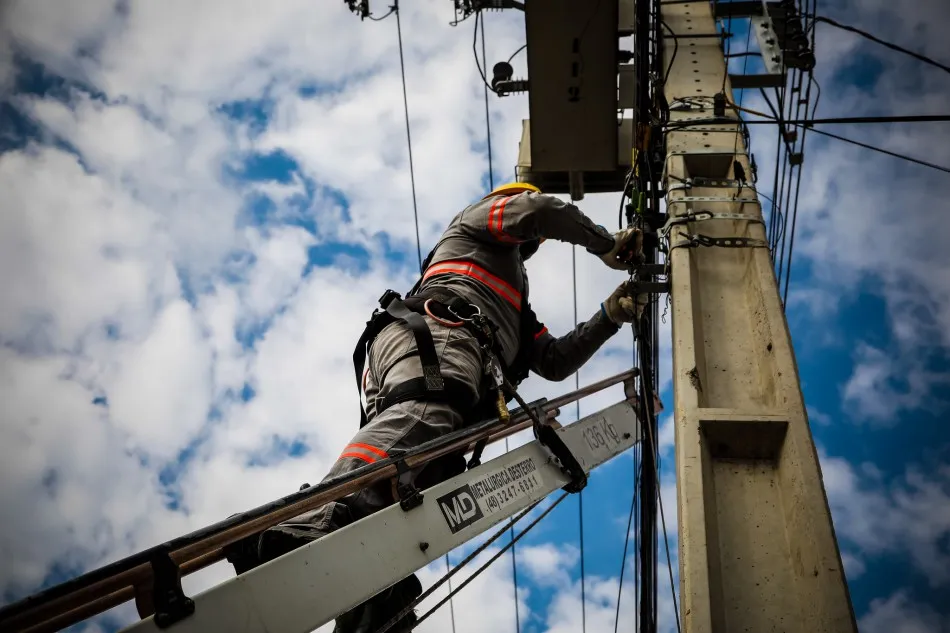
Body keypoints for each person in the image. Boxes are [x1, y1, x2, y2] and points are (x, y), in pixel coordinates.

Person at [224, 182, 645, 632]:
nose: (532, 238)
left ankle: (371, 595)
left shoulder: (516, 307)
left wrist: (610, 315)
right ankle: (316, 522)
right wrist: (606, 242)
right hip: (436, 338)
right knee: (427, 416)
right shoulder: (475, 222)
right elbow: (539, 209)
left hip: (455, 360)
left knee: (422, 477)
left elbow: (554, 361)